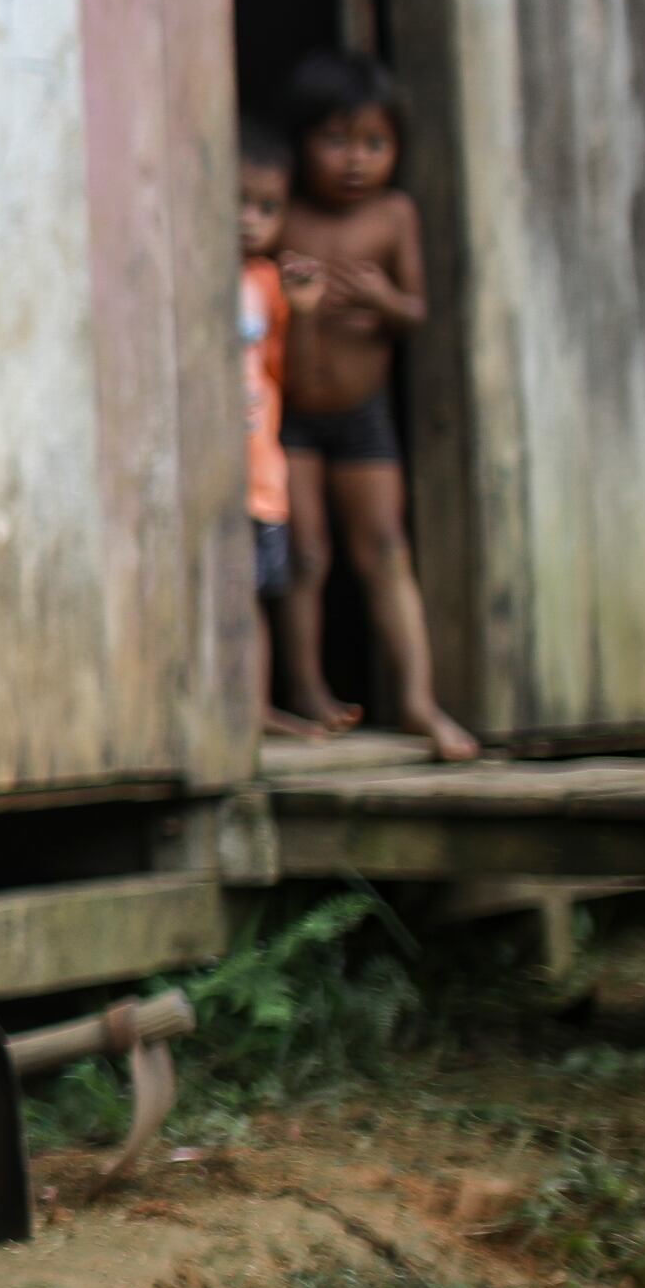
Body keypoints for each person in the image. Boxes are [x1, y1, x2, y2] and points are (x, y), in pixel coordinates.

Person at [270, 51, 475, 758]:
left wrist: (384, 301)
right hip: (288, 414)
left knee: (385, 547)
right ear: (300, 142)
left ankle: (417, 698)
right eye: (335, 141)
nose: (355, 161)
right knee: (303, 552)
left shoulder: (393, 216)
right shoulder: (283, 214)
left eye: (374, 144)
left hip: (362, 413)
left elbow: (415, 311)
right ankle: (307, 690)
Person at [237, 118, 326, 739]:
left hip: (258, 471)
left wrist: (307, 313)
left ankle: (259, 708)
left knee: (255, 599)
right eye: (237, 202)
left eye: (266, 207)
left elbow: (284, 373)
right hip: (210, 476)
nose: (249, 219)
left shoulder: (270, 286)